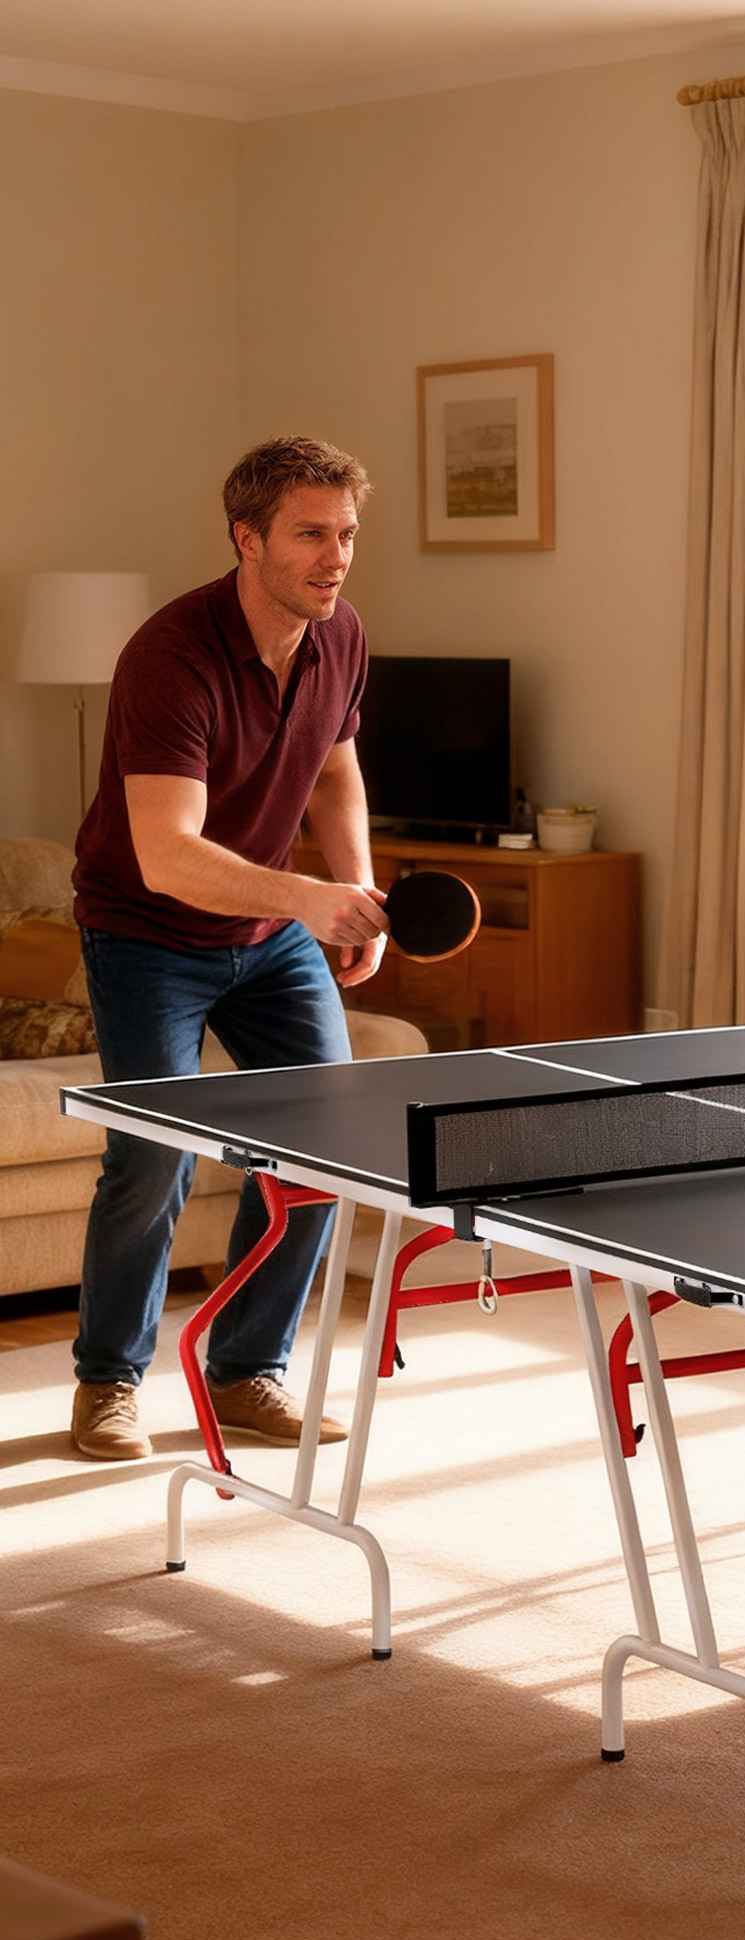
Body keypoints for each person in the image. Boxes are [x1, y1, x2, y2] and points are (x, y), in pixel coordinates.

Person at [69, 437, 389, 1462]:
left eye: (344, 533)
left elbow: (336, 769)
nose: (333, 556)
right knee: (153, 1152)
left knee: (319, 1149)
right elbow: (165, 857)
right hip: (146, 931)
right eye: (309, 533)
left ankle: (249, 1368)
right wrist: (310, 897)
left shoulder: (339, 637)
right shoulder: (171, 655)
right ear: (246, 538)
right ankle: (107, 1383)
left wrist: (357, 888)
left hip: (267, 933)